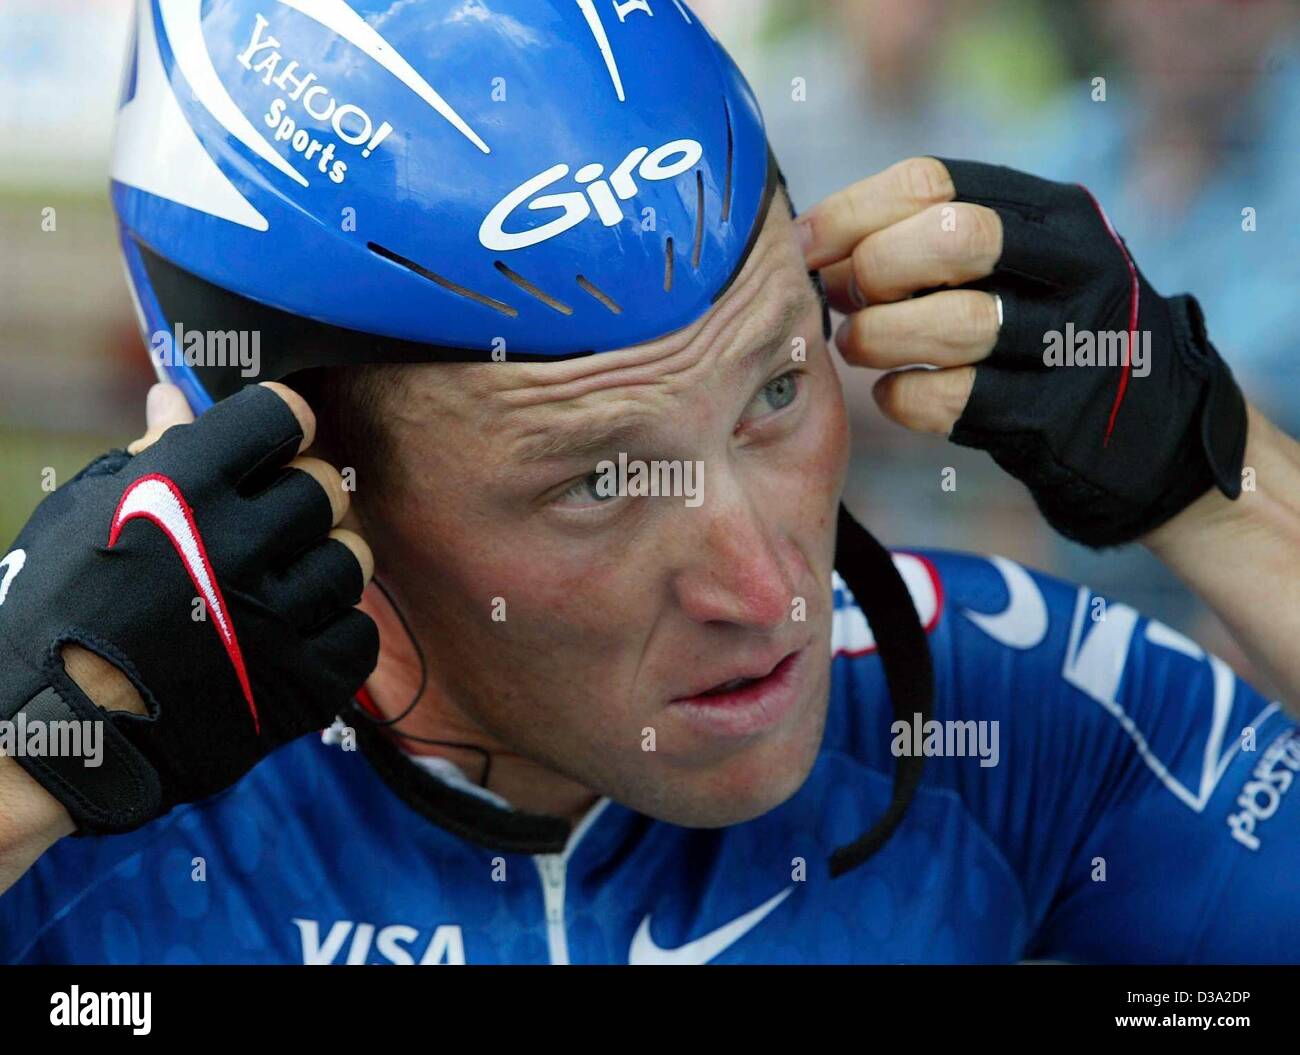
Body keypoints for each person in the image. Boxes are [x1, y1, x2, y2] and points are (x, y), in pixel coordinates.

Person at [0, 0, 1297, 964]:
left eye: (777, 392)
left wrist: (1226, 485)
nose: (767, 587)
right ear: (283, 481)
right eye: (598, 482)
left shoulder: (992, 714)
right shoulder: (80, 830)